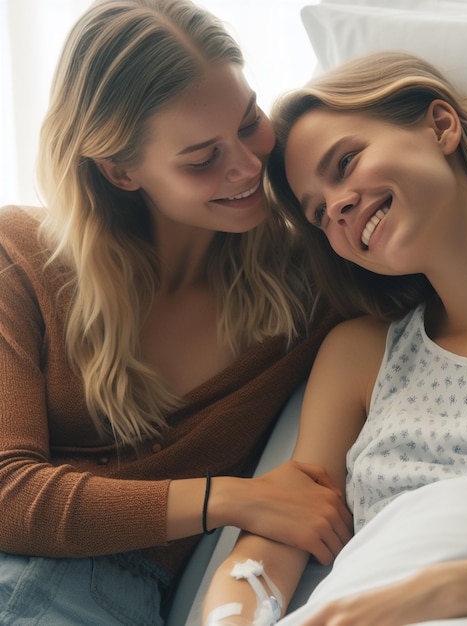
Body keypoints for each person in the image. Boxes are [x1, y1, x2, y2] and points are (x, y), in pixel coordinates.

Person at [202, 51, 467, 626]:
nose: (339, 206)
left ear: (440, 126)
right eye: (319, 214)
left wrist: (441, 592)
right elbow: (277, 537)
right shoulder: (362, 354)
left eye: (346, 162)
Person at [0, 1, 354, 624]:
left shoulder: (313, 285)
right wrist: (231, 500)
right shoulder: (18, 258)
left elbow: (457, 283)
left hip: (108, 591)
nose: (247, 166)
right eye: (201, 158)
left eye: (249, 122)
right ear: (119, 170)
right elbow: (6, 493)